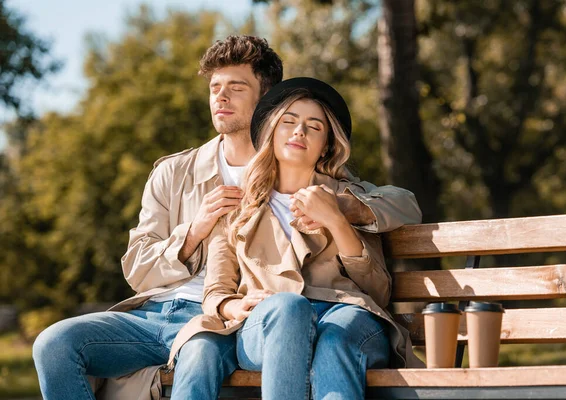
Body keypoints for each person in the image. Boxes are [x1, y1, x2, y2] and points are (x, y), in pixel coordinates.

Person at [32, 35, 421, 400]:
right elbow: (137, 269)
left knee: (218, 342)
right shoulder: (174, 172)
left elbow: (394, 203)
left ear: (270, 99)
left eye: (236, 88)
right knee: (55, 345)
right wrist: (194, 230)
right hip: (168, 312)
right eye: (215, 89)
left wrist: (345, 211)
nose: (221, 98)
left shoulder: (301, 159)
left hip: (235, 322)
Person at [167, 77, 424, 400]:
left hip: (344, 315)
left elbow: (377, 291)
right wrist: (234, 305)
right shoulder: (238, 205)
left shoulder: (347, 196)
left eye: (313, 127)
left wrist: (336, 217)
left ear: (326, 146)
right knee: (288, 307)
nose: (299, 131)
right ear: (271, 133)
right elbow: (216, 290)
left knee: (335, 338)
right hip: (268, 324)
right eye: (288, 122)